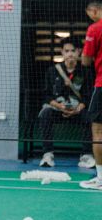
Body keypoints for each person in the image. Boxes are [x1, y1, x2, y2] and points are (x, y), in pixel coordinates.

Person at [36, 40, 93, 168]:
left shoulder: (86, 71)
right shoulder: (53, 70)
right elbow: (46, 95)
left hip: (77, 110)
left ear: (78, 52)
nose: (70, 54)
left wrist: (78, 108)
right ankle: (47, 154)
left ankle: (86, 155)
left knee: (90, 117)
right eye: (66, 51)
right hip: (58, 109)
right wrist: (60, 106)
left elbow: (88, 96)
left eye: (73, 51)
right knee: (45, 114)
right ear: (62, 52)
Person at [81, 0, 102, 190]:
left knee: (98, 132)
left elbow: (86, 61)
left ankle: (101, 179)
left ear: (94, 11)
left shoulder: (95, 28)